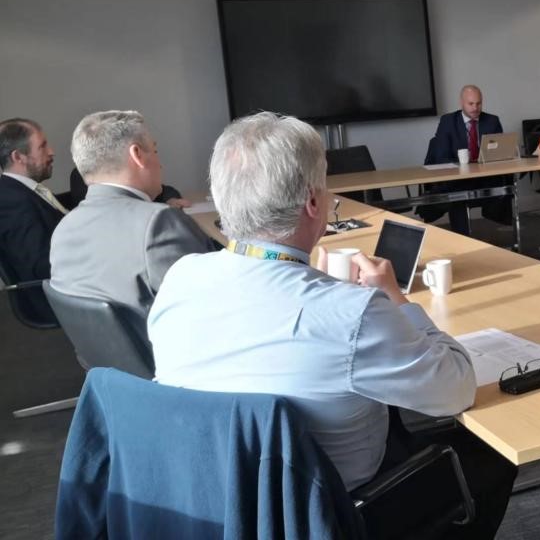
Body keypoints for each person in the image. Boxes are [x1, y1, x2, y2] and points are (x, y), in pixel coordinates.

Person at [149, 112, 514, 539]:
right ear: (312, 202)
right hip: (335, 514)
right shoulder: (351, 313)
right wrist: (397, 300)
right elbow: (456, 388)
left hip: (215, 506)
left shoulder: (182, 276)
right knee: (491, 456)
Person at [49, 111, 217, 325]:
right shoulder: (158, 223)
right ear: (137, 155)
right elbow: (210, 301)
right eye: (155, 151)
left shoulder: (63, 229)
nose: (161, 164)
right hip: (163, 344)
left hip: (101, 346)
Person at [420, 85, 513, 235]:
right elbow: (442, 157)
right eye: (471, 104)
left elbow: (499, 154)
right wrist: (465, 164)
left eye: (478, 103)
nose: (475, 108)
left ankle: (503, 224)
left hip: (485, 178)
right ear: (461, 103)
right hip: (457, 180)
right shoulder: (448, 121)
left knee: (506, 183)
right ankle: (462, 237)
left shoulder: (492, 121)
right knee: (458, 194)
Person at [0, 118, 64, 322]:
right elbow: (40, 265)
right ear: (18, 157)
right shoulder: (11, 200)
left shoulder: (23, 191)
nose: (51, 152)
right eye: (42, 146)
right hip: (58, 298)